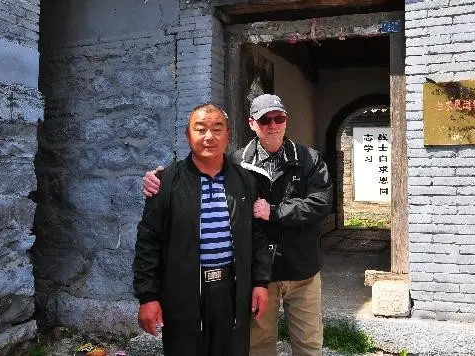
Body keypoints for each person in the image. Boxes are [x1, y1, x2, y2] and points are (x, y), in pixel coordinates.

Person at [143, 94, 333, 356]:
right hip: (255, 277)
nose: (273, 125)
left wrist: (276, 211)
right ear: (252, 124)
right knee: (257, 347)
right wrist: (157, 179)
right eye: (265, 120)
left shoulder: (308, 158)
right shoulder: (236, 162)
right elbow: (151, 236)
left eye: (279, 118)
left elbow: (321, 202)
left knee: (309, 345)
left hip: (300, 267)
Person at [133, 103, 271, 356]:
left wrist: (261, 283)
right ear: (188, 136)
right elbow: (148, 241)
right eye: (200, 129)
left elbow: (258, 237)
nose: (209, 137)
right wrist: (147, 297)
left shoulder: (246, 182)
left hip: (231, 290)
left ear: (228, 135)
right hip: (182, 291)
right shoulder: (166, 183)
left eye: (217, 129)